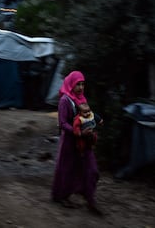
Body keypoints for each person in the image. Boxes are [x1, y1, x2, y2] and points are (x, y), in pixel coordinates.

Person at [51, 71, 103, 215]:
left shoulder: (82, 99)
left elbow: (88, 115)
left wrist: (95, 122)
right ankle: (62, 197)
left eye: (82, 84)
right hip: (69, 142)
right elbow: (62, 123)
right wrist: (78, 132)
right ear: (71, 84)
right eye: (77, 84)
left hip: (84, 142)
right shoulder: (65, 101)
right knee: (68, 170)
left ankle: (90, 198)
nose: (80, 87)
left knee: (92, 170)